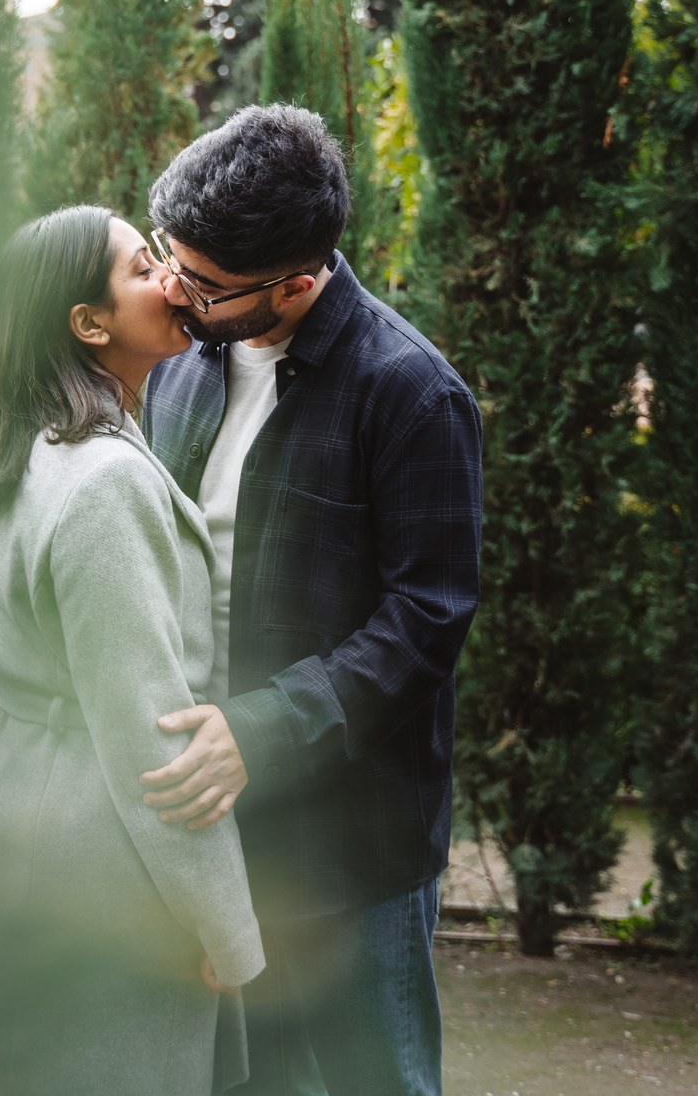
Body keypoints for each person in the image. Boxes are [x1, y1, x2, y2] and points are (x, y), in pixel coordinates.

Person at [132, 104, 484, 1096]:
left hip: (350, 850)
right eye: (169, 257)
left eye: (201, 282)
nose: (173, 289)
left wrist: (263, 730)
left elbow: (429, 618)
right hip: (213, 825)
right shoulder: (182, 367)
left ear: (296, 279)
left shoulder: (415, 392)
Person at [0, 205, 265, 1095]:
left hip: (3, 808)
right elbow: (152, 741)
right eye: (143, 268)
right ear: (88, 323)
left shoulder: (22, 449)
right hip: (91, 861)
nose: (172, 281)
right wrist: (227, 927)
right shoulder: (104, 481)